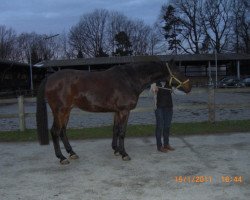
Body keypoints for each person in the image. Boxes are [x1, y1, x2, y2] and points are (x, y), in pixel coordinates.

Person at [151, 81, 175, 153]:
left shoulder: (170, 83)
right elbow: (151, 90)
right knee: (160, 126)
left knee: (167, 126)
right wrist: (154, 89)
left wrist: (186, 92)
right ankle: (159, 146)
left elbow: (176, 91)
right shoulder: (155, 83)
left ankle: (166, 144)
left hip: (169, 107)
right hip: (159, 108)